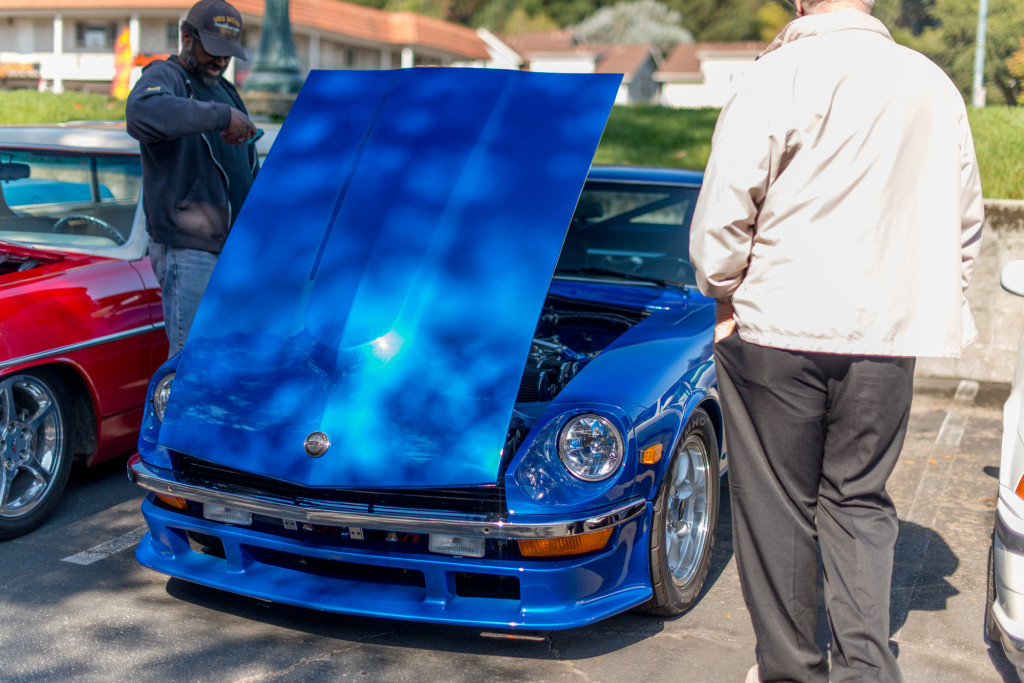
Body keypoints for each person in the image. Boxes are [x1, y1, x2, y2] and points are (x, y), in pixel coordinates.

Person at [688, 0, 984, 681]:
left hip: (775, 327)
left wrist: (723, 288)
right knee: (860, 500)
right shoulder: (932, 84)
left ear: (799, 1)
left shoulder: (775, 77)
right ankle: (866, 669)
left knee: (777, 509)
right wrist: (918, 300)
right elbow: (962, 222)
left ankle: (792, 670)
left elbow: (723, 221)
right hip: (885, 335)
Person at [126, 0, 259, 356]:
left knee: (227, 354)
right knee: (192, 361)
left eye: (228, 54)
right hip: (188, 248)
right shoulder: (164, 76)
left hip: (231, 247)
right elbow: (141, 112)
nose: (220, 61)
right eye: (213, 50)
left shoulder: (227, 91)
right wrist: (220, 116)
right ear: (186, 36)